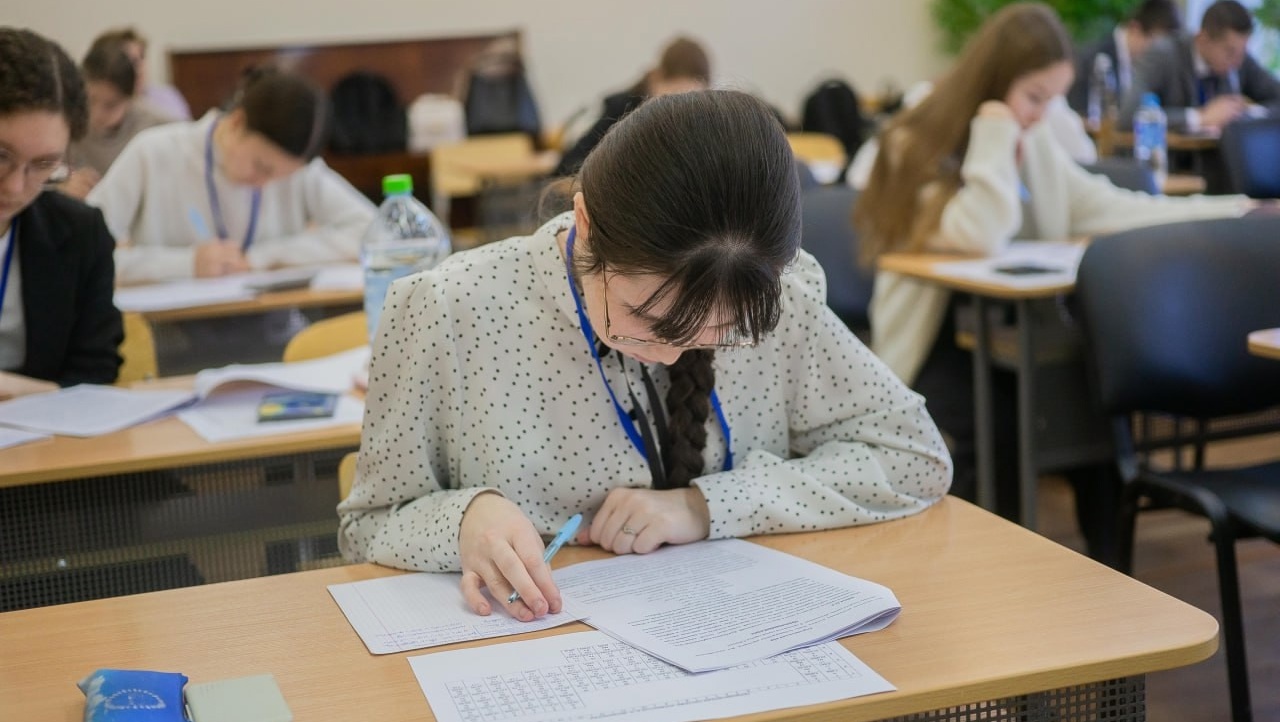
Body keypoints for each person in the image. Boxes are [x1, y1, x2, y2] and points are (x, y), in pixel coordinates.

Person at [339, 90, 952, 621]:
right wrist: (465, 520)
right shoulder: (448, 309)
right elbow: (366, 525)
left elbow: (915, 458)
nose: (670, 355)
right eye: (646, 320)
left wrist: (704, 507)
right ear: (585, 221)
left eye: (720, 329)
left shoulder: (778, 294)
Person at [854, 2, 1249, 534]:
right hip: (931, 344)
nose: (1041, 115)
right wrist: (994, 132)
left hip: (1012, 335)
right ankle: (994, 564)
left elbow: (1110, 205)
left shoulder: (1032, 135)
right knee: (1001, 426)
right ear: (992, 86)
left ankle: (1111, 567)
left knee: (1090, 402)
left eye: (1053, 99)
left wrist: (1235, 207)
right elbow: (978, 234)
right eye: (1033, 98)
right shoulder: (914, 141)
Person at [87, 67, 375, 285]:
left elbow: (378, 232)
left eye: (281, 177)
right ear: (237, 122)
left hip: (271, 325)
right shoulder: (154, 153)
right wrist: (185, 264)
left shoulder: (296, 170)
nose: (266, 183)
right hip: (171, 333)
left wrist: (263, 258)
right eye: (261, 167)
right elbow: (83, 254)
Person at [0, 28, 122, 400]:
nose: (16, 186)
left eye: (43, 165)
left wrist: (15, 390)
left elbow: (96, 373)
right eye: (0, 157)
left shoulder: (79, 233)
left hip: (45, 446)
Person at [552, 36, 710, 177]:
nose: (681, 108)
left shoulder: (704, 118)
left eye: (693, 99)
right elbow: (569, 165)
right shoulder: (619, 107)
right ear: (657, 78)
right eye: (675, 95)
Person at [1120, 0, 1280, 133]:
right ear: (1202, 39)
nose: (1237, 62)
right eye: (1229, 52)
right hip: (1175, 162)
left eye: (1242, 53)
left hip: (1222, 164)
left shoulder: (1239, 59)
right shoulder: (1164, 54)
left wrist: (1248, 114)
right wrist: (1199, 117)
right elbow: (1129, 116)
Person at [63, 31, 177, 199]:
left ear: (131, 98)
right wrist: (61, 185)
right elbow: (40, 172)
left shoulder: (159, 127)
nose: (96, 114)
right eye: (90, 99)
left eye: (110, 105)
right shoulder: (65, 123)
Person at [1066, 0, 1183, 117]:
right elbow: (1080, 115)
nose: (1160, 54)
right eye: (1157, 44)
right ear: (1135, 29)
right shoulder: (1092, 59)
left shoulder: (1152, 67)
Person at [105, 27, 191, 121]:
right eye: (129, 60)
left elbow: (188, 132)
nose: (138, 67)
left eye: (141, 57)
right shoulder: (106, 108)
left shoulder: (168, 96)